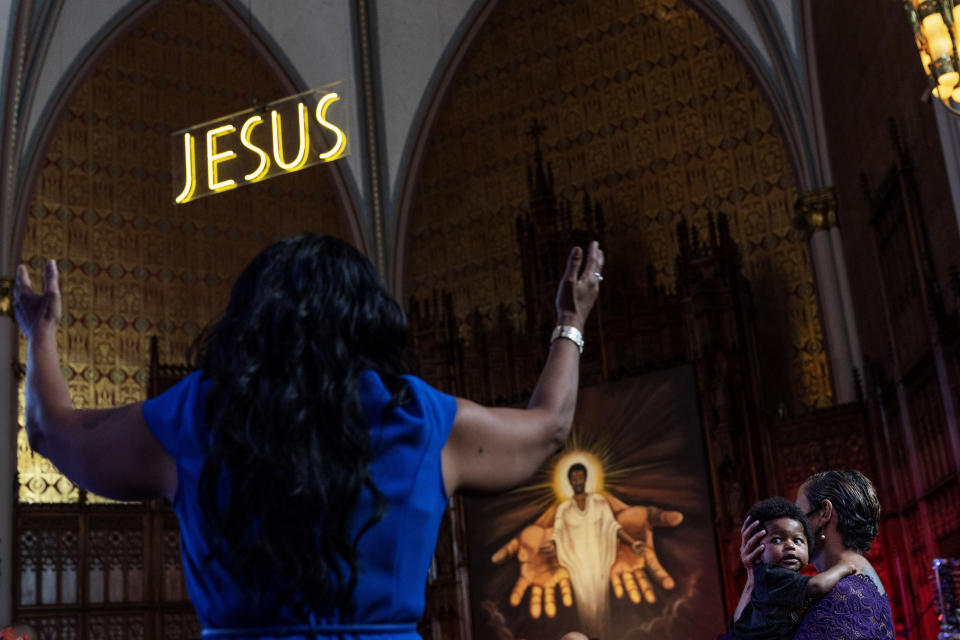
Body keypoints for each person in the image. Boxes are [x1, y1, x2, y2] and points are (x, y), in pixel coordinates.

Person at [13, 234, 604, 639]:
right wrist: (569, 324)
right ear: (368, 317)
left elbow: (51, 430)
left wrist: (41, 332)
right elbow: (549, 425)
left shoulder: (196, 414)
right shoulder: (421, 420)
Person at [740, 470, 894, 639]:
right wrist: (753, 580)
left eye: (798, 513)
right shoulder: (855, 577)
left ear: (823, 512)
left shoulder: (842, 593)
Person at [732, 497, 855, 639]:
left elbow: (739, 622)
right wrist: (843, 567)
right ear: (757, 550)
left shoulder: (763, 577)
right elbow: (817, 585)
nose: (790, 545)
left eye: (797, 540)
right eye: (777, 540)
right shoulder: (773, 574)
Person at [545, 463, 644, 635]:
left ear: (585, 478)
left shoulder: (599, 502)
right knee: (585, 609)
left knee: (602, 607)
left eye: (580, 477)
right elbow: (558, 531)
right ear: (569, 481)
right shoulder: (564, 508)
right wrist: (552, 545)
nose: (578, 481)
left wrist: (632, 542)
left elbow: (613, 527)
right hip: (579, 569)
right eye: (574, 478)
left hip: (598, 566)